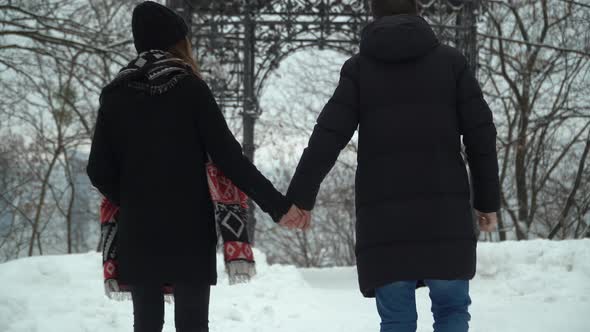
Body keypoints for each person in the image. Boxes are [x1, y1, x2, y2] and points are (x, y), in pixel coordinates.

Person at [86, 2, 308, 331]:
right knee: (192, 324)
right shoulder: (190, 89)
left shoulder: (115, 95)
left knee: (145, 324)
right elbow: (230, 159)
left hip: (138, 229)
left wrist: (133, 197)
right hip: (189, 228)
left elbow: (98, 170)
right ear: (177, 43)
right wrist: (279, 206)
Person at [286, 0, 500, 331]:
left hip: (384, 223)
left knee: (397, 320)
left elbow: (328, 136)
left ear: (374, 14)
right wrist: (486, 201)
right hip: (445, 216)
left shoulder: (359, 70)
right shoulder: (451, 63)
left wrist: (301, 197)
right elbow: (481, 136)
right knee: (452, 311)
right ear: (417, 10)